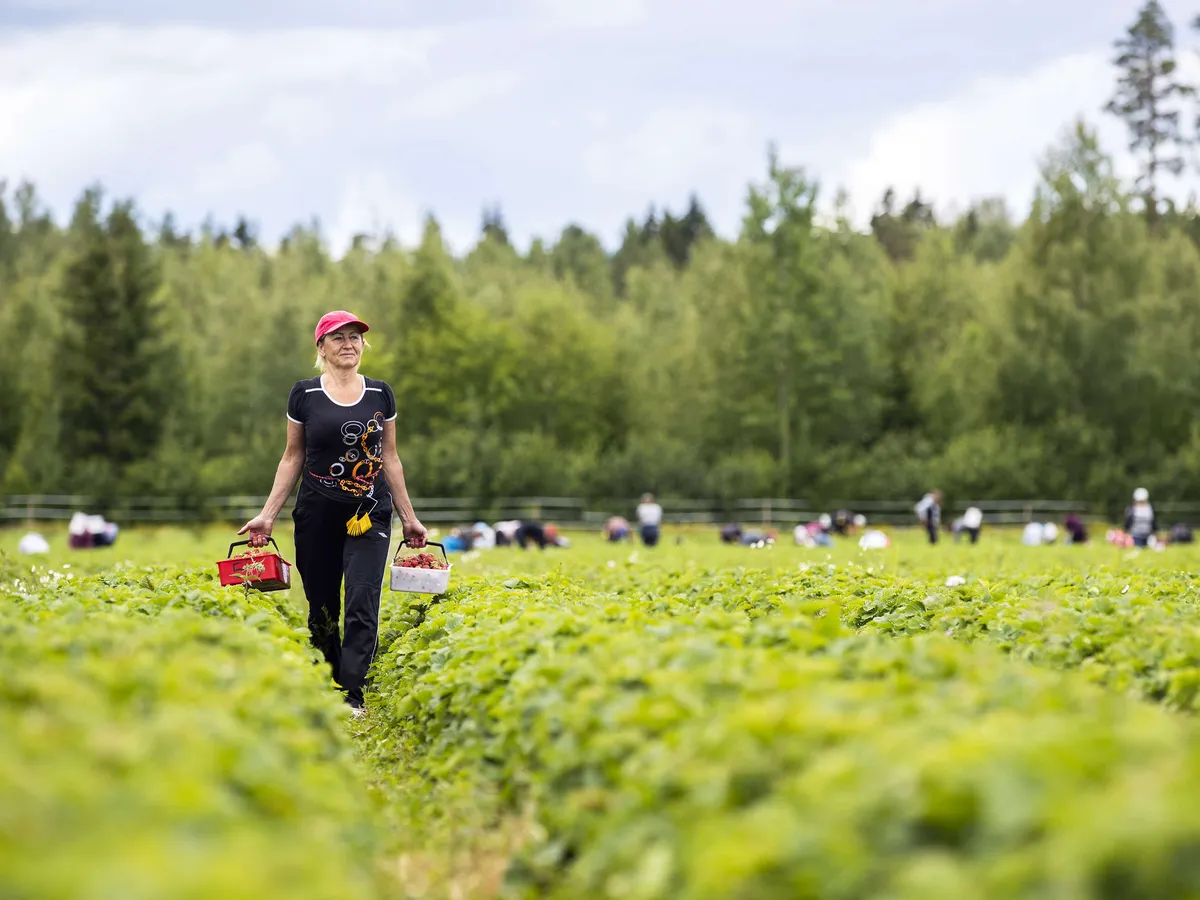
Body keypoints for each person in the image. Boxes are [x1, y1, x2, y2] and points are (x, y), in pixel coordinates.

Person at [237, 310, 428, 718]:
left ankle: (353, 692)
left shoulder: (381, 394)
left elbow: (390, 458)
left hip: (370, 511)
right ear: (320, 348)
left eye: (356, 337)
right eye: (338, 337)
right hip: (316, 513)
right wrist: (267, 515)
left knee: (362, 597)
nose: (348, 344)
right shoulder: (305, 395)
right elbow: (292, 458)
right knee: (322, 605)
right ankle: (330, 677)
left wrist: (409, 517)